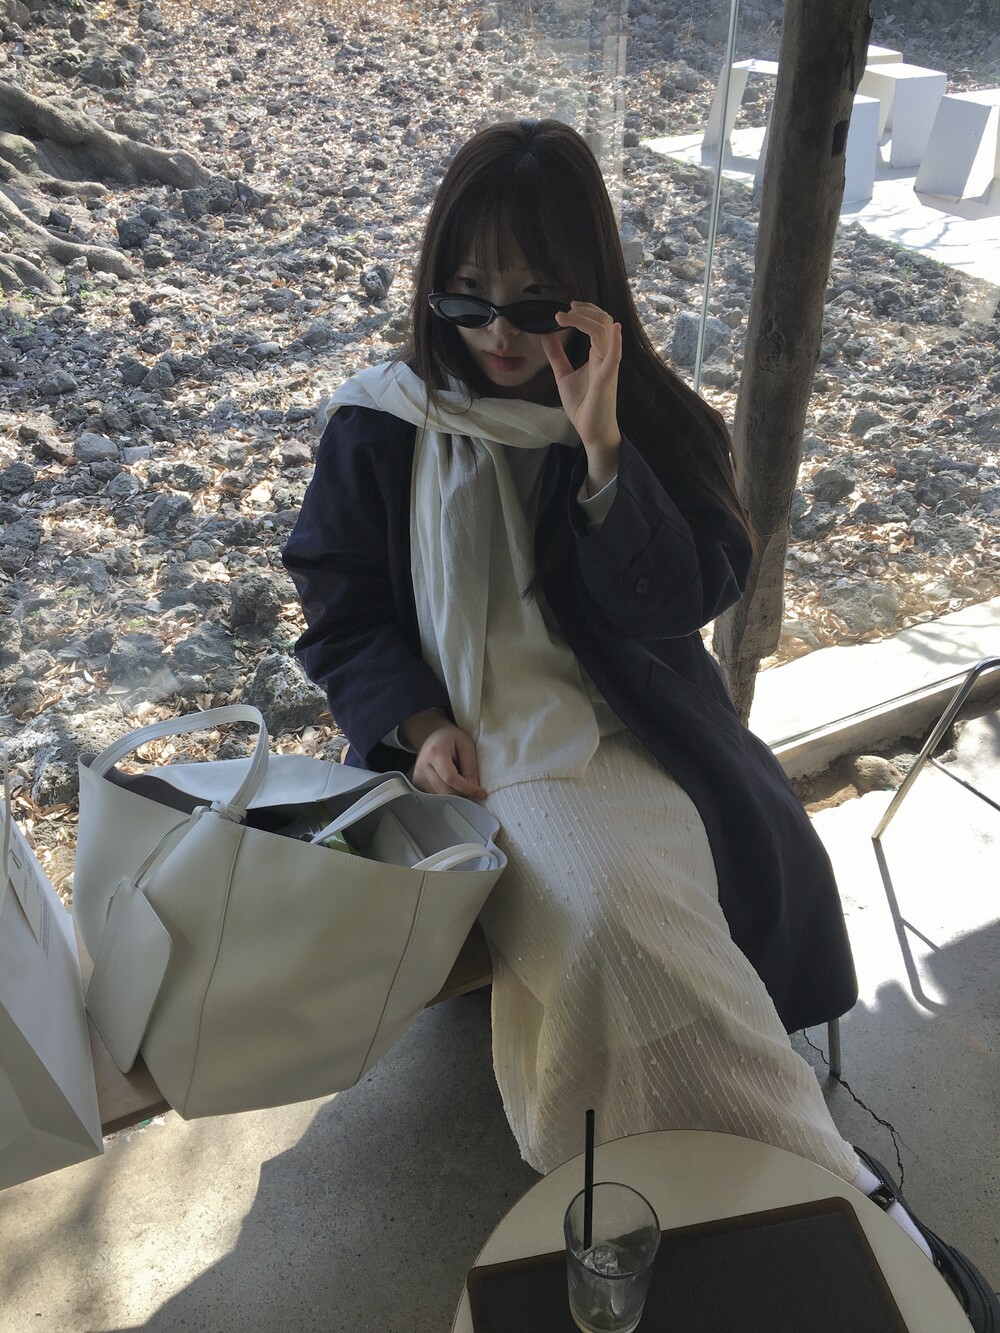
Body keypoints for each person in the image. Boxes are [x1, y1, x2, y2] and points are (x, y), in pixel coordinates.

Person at [282, 119, 998, 1329]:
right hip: (480, 757)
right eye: (467, 294)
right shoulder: (385, 420)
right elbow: (339, 602)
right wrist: (411, 718)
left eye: (532, 299)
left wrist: (601, 443)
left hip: (642, 735)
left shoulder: (644, 415)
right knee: (611, 919)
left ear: (590, 291)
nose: (498, 331)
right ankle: (819, 1198)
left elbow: (684, 596)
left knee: (639, 925)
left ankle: (760, 1192)